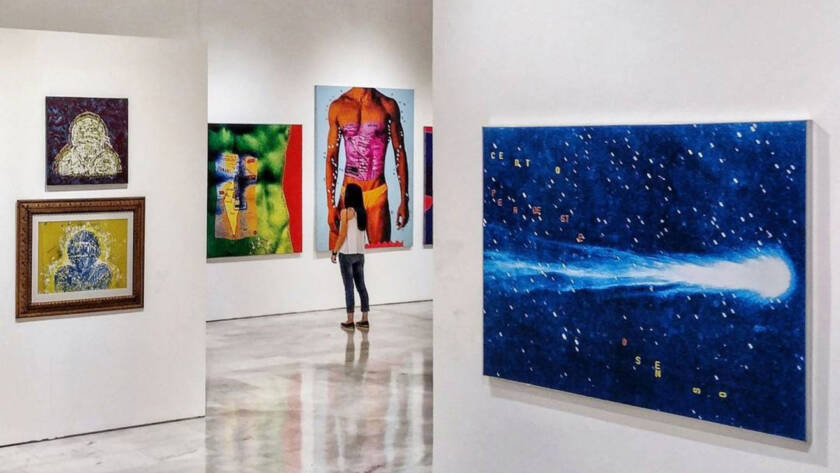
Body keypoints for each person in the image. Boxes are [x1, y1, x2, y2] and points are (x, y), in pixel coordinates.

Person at [325, 87, 409, 249]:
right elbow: (331, 158)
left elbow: (399, 152)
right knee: (335, 254)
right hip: (348, 194)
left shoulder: (387, 105)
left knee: (380, 256)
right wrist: (330, 207)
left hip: (377, 194)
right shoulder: (339, 106)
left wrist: (404, 200)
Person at [331, 184, 371, 331]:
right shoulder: (363, 213)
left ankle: (350, 321)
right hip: (360, 254)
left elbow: (342, 235)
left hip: (346, 255)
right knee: (361, 286)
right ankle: (365, 319)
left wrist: (334, 251)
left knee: (349, 288)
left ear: (348, 196)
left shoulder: (346, 212)